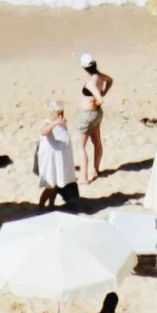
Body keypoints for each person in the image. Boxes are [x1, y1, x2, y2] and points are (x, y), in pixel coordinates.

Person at [77, 54, 112, 183]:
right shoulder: (99, 76)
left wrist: (97, 100)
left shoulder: (90, 83)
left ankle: (83, 177)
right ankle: (95, 169)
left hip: (88, 114)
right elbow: (110, 80)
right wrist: (104, 90)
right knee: (97, 142)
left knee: (81, 146)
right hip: (97, 114)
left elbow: (100, 100)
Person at [36, 104, 77, 208]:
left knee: (57, 184)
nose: (61, 115)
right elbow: (44, 131)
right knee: (51, 185)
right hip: (50, 159)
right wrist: (55, 123)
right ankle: (40, 206)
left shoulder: (61, 122)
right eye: (59, 113)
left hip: (59, 159)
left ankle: (51, 204)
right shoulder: (48, 122)